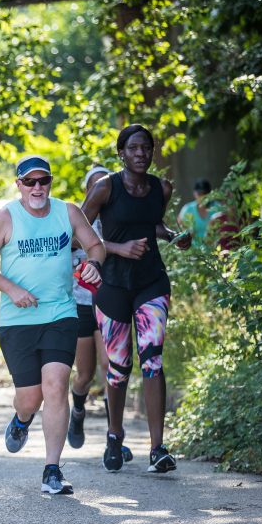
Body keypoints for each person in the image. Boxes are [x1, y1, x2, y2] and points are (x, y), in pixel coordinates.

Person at [0, 155, 105, 495]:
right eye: (29, 181)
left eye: (43, 180)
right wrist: (11, 289)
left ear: (50, 183)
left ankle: (52, 470)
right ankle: (22, 420)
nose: (37, 187)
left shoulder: (67, 212)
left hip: (60, 314)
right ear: (19, 185)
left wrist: (94, 264)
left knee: (56, 385)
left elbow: (95, 245)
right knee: (30, 398)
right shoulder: (6, 217)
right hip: (18, 321)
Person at [82, 124, 192, 475]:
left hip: (151, 283)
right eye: (133, 148)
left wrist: (173, 236)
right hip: (112, 284)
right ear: (121, 153)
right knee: (118, 368)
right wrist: (118, 248)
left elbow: (152, 224)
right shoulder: (105, 188)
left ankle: (157, 448)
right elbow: (79, 234)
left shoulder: (161, 188)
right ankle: (115, 435)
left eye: (146, 148)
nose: (141, 154)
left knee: (152, 360)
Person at [67, 166, 125, 457]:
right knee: (84, 375)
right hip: (80, 304)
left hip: (108, 302)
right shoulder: (76, 219)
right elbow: (78, 243)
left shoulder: (115, 219)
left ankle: (114, 437)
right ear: (87, 190)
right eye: (93, 185)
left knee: (109, 367)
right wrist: (119, 247)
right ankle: (77, 411)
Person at [177, 179, 215, 249]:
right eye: (200, 194)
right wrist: (187, 233)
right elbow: (179, 224)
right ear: (195, 193)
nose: (202, 197)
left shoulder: (217, 207)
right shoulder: (188, 209)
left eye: (205, 194)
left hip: (214, 250)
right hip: (193, 251)